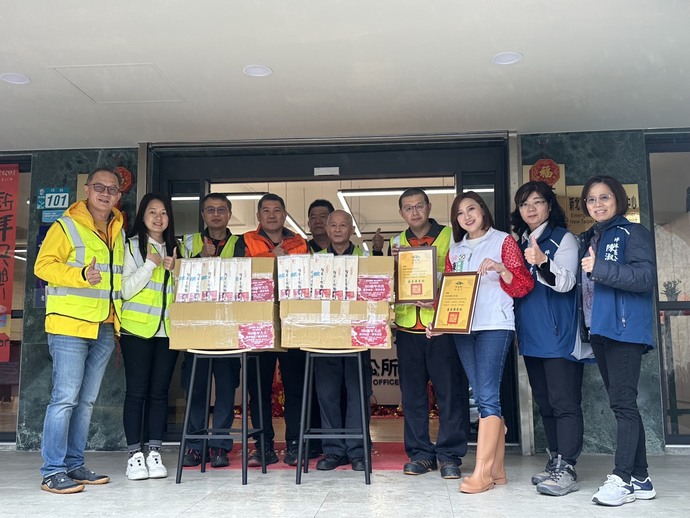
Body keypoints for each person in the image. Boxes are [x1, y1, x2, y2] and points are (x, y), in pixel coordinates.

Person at [430, 191, 533, 494]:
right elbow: (451, 291)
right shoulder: (456, 249)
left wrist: (501, 269)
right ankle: (497, 470)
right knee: (483, 393)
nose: (467, 217)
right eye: (460, 213)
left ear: (483, 211)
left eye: (471, 209)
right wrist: (439, 321)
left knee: (487, 396)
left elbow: (523, 285)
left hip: (494, 325)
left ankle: (483, 472)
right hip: (463, 329)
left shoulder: (503, 241)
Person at [35, 168, 124, 494]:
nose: (105, 193)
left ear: (118, 196)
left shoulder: (117, 230)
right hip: (70, 325)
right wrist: (81, 275)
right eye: (99, 187)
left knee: (85, 402)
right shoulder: (66, 225)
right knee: (64, 399)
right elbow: (42, 266)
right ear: (87, 189)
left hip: (104, 325)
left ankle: (74, 464)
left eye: (112, 189)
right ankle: (52, 471)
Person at [578, 176, 657, 507]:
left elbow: (644, 277)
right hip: (601, 329)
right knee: (622, 404)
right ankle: (641, 478)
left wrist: (599, 267)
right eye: (591, 199)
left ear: (619, 200)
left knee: (623, 404)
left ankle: (622, 479)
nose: (597, 204)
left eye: (604, 197)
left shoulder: (632, 233)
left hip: (625, 329)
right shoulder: (591, 237)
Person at [383, 188, 470, 480]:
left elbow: (460, 276)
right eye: (408, 208)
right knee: (413, 397)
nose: (415, 212)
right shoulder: (396, 242)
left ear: (429, 207)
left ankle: (449, 455)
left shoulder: (451, 236)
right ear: (401, 213)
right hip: (408, 328)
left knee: (449, 393)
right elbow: (389, 284)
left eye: (419, 205)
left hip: (442, 327)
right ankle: (420, 454)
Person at [510, 181, 585, 496]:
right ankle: (555, 460)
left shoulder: (562, 239)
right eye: (524, 204)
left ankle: (567, 466)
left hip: (558, 335)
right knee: (545, 403)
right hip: (531, 336)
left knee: (564, 402)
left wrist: (542, 260)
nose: (530, 209)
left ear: (549, 206)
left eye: (537, 202)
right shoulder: (520, 242)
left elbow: (567, 282)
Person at [235, 193, 309, 467]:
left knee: (295, 388)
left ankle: (295, 444)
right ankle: (262, 446)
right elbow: (240, 274)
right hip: (258, 322)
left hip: (292, 321)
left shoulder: (300, 243)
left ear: (285, 214)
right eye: (266, 211)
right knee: (259, 389)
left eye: (277, 210)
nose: (272, 215)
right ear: (258, 216)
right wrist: (271, 258)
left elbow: (307, 277)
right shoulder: (245, 241)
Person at [120, 193, 179, 480]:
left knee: (159, 393)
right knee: (136, 393)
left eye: (164, 212)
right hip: (136, 330)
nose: (158, 217)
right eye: (152, 212)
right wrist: (150, 265)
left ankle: (154, 452)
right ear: (142, 216)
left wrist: (176, 271)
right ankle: (134, 455)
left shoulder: (177, 248)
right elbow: (125, 290)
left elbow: (184, 291)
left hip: (167, 331)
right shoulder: (131, 247)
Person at [180, 193, 241, 468]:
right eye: (210, 210)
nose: (216, 214)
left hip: (229, 326)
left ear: (229, 214)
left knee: (227, 389)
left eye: (221, 210)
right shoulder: (188, 242)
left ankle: (219, 446)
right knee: (197, 389)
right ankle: (195, 446)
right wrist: (199, 258)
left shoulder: (241, 244)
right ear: (203, 214)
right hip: (197, 326)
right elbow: (176, 277)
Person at [313, 210, 371, 472]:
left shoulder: (366, 259)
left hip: (358, 335)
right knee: (327, 394)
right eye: (333, 225)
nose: (337, 230)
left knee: (357, 393)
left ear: (352, 229)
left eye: (343, 225)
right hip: (325, 336)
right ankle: (334, 450)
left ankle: (358, 451)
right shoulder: (315, 261)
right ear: (326, 228)